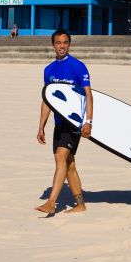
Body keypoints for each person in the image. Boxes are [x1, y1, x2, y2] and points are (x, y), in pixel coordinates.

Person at [35, 29, 93, 215]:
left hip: (74, 122)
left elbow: (89, 95)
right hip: (59, 123)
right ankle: (80, 204)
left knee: (60, 157)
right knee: (68, 164)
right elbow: (47, 100)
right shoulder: (49, 70)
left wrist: (88, 121)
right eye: (59, 43)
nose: (62, 46)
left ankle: (51, 202)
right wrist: (41, 125)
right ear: (53, 45)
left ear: (69, 44)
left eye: (65, 42)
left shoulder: (78, 66)